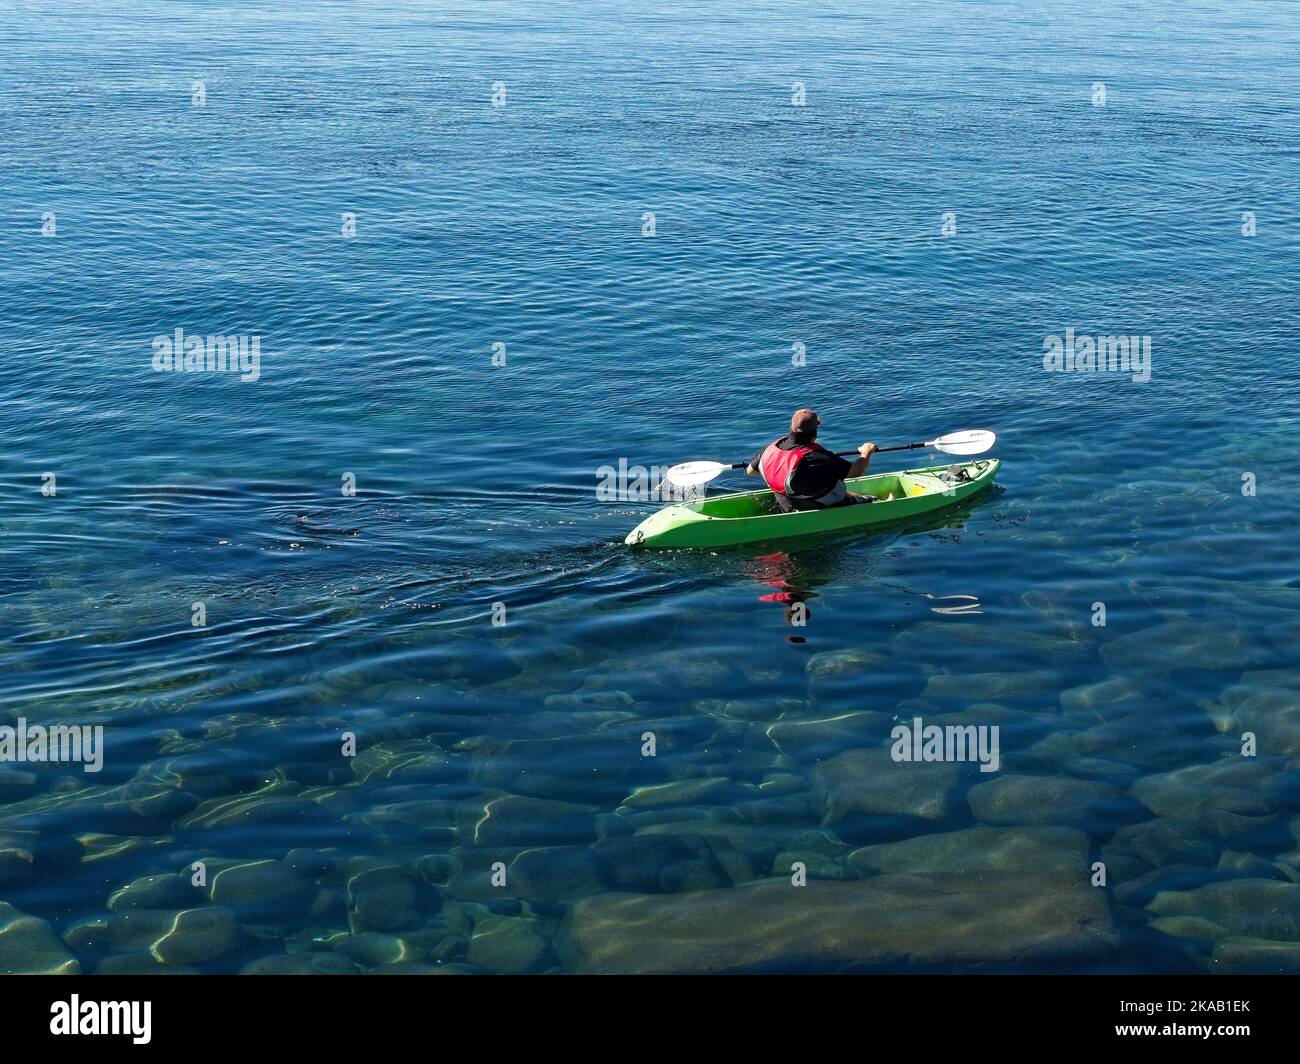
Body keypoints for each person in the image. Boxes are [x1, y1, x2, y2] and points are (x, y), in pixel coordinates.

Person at [747, 409, 878, 512]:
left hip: (784, 501)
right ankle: (869, 501)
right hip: (811, 502)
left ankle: (855, 497)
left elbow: (750, 471)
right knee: (838, 480)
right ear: (815, 433)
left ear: (791, 429)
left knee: (817, 477)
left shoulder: (770, 448)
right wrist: (867, 452)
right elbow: (857, 471)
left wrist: (780, 471)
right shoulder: (817, 456)